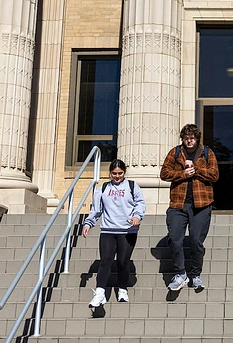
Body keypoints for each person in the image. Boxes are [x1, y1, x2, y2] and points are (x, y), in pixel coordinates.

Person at [159, 124, 219, 292]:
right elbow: (164, 174)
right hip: (178, 204)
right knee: (175, 239)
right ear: (183, 139)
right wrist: (182, 174)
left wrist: (196, 168)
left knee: (195, 241)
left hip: (201, 205)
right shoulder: (175, 152)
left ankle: (196, 275)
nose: (189, 141)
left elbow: (214, 175)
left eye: (192, 138)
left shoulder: (207, 153)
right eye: (186, 138)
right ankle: (180, 274)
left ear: (197, 138)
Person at [81, 159, 146, 309]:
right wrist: (88, 223)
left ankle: (122, 289)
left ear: (124, 173)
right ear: (110, 173)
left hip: (127, 231)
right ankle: (100, 293)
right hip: (108, 230)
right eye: (114, 173)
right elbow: (96, 209)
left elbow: (140, 203)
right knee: (106, 261)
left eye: (120, 173)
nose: (117, 176)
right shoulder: (103, 188)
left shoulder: (132, 186)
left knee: (123, 262)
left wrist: (137, 216)